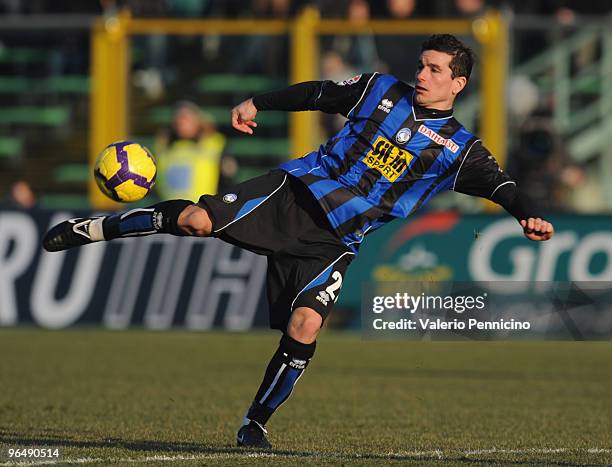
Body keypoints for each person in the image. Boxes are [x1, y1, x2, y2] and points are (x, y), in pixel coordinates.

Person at [43, 34, 554, 449]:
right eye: (421, 65)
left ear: (458, 83)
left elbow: (502, 185)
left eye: (435, 69)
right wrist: (257, 103)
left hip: (337, 239)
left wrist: (528, 216)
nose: (421, 75)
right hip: (296, 192)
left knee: (305, 324)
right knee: (197, 220)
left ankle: (255, 424)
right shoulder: (379, 89)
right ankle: (95, 228)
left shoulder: (460, 149)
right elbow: (317, 93)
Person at [155, 101, 230, 199]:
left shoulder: (213, 143)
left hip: (202, 209)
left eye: (186, 118)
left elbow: (228, 177)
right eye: (178, 118)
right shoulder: (164, 146)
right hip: (170, 209)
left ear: (197, 121)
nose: (181, 122)